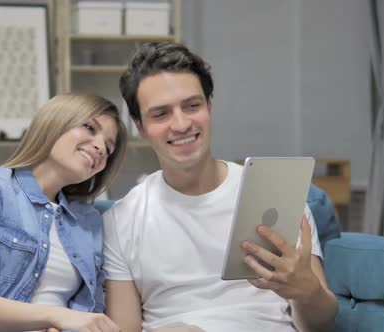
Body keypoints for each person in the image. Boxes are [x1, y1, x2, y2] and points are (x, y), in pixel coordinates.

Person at [102, 42, 338, 332]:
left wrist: (305, 290)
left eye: (192, 106)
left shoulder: (277, 194)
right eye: (161, 114)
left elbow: (320, 324)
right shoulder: (121, 220)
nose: (181, 124)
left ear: (209, 107)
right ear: (140, 126)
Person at [0, 94, 126, 332]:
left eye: (108, 148)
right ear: (53, 123)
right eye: (90, 127)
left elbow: (87, 315)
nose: (100, 148)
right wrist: (58, 317)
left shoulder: (88, 221)